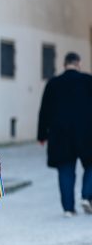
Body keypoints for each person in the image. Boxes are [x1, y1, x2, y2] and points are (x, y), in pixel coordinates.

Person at [38, 51, 92, 216]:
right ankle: (87, 196)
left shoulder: (53, 83)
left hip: (60, 135)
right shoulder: (88, 80)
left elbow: (44, 111)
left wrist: (41, 135)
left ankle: (68, 209)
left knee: (65, 170)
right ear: (78, 63)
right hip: (86, 133)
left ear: (64, 64)